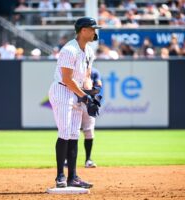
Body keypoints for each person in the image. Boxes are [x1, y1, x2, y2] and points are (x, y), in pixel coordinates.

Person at [48, 17, 101, 188]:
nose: (95, 32)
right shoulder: (69, 49)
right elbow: (67, 79)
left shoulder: (89, 51)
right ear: (83, 30)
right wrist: (84, 97)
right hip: (63, 91)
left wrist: (90, 93)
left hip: (77, 93)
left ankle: (73, 177)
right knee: (64, 133)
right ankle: (60, 177)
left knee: (74, 135)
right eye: (93, 29)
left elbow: (86, 77)